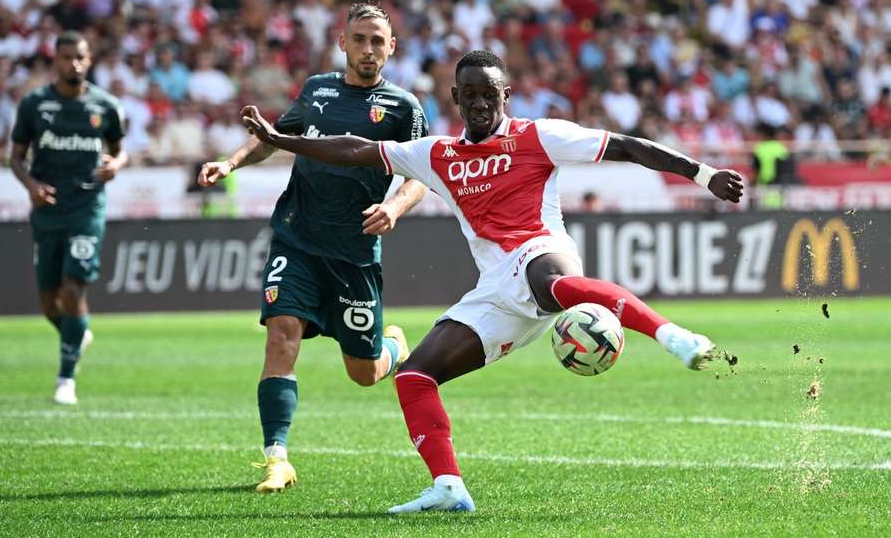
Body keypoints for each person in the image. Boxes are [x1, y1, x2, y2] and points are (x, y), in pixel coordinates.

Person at [239, 49, 744, 512]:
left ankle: (675, 337)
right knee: (415, 376)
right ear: (456, 98)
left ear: (507, 96)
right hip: (498, 293)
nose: (480, 103)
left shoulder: (538, 136)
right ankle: (448, 486)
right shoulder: (436, 154)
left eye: (490, 94)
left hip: (542, 252)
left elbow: (629, 147)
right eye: (471, 94)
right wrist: (283, 140)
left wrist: (702, 174)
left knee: (550, 282)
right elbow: (357, 150)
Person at [197, 3, 428, 493]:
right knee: (282, 333)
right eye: (360, 39)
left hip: (354, 252)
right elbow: (275, 138)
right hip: (296, 237)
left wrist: (394, 208)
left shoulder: (404, 108)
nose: (369, 49)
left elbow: (420, 175)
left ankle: (392, 346)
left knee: (364, 374)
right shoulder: (318, 90)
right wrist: (230, 162)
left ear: (392, 48)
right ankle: (277, 458)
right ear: (342, 42)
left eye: (378, 41)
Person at [9, 31, 127, 405]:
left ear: (88, 60)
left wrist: (115, 166)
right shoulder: (34, 105)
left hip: (87, 208)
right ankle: (77, 333)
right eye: (65, 58)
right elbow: (15, 157)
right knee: (48, 301)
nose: (72, 64)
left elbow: (120, 152)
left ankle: (65, 379)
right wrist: (30, 185)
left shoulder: (105, 106)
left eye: (78, 57)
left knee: (73, 289)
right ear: (54, 61)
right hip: (47, 210)